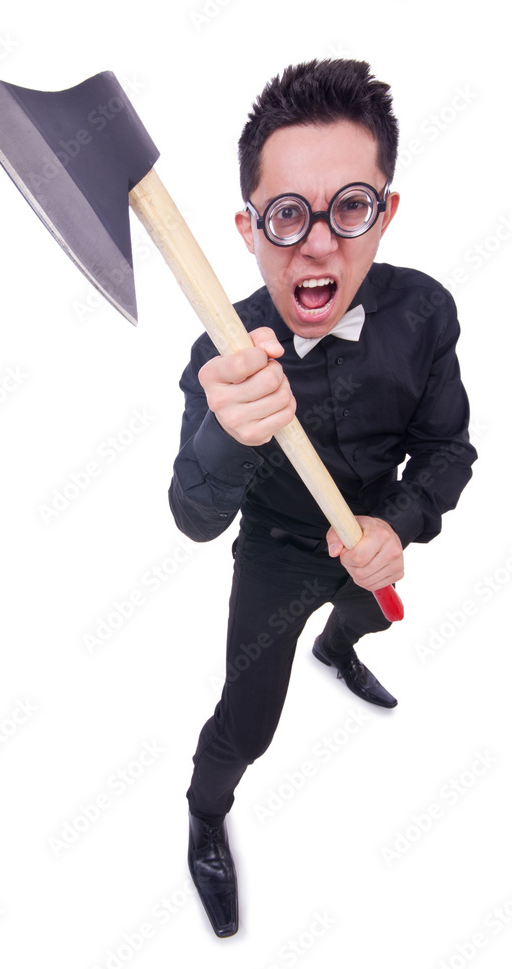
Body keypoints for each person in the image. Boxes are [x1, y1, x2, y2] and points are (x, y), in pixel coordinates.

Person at [168, 59, 477, 937]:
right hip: (274, 556)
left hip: (372, 537)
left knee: (374, 614)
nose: (316, 245)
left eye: (350, 207)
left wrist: (399, 525)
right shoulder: (221, 354)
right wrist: (229, 432)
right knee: (248, 725)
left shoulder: (425, 312)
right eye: (287, 215)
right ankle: (203, 814)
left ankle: (337, 649)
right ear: (249, 227)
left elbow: (448, 450)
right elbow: (193, 519)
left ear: (386, 211)